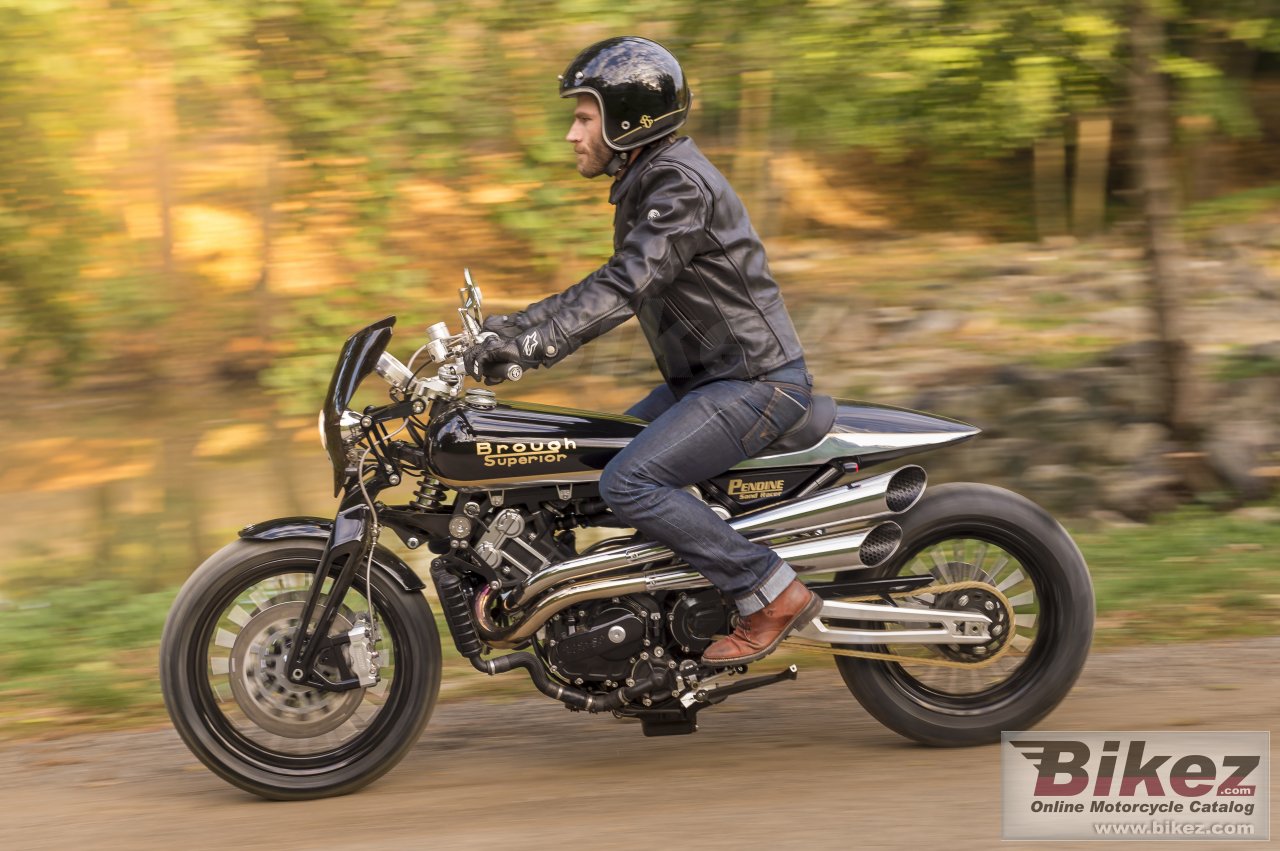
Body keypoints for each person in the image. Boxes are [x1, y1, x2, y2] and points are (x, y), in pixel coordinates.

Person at [463, 36, 821, 667]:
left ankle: (770, 591)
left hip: (754, 385)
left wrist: (534, 345)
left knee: (630, 481)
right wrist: (510, 329)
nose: (572, 135)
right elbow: (609, 278)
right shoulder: (651, 183)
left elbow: (624, 285)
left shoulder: (679, 187)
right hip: (705, 385)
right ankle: (640, 623)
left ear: (628, 118)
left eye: (583, 116)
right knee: (583, 468)